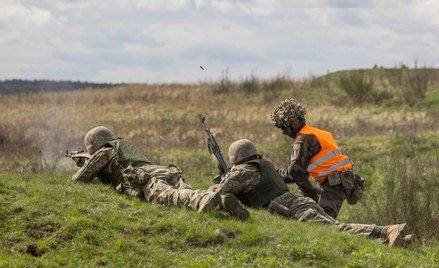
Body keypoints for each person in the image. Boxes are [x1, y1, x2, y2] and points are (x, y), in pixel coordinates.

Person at [210, 139, 416, 246]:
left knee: (335, 230)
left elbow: (216, 194)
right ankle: (396, 241)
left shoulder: (244, 171)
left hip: (291, 209)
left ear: (235, 159)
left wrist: (221, 179)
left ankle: (386, 230)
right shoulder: (264, 165)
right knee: (334, 232)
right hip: (298, 203)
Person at [71, 126, 249, 219]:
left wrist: (81, 163)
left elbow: (80, 179)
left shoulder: (103, 152)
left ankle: (205, 199)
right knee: (186, 191)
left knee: (174, 197)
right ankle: (224, 203)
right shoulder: (123, 144)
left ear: (94, 145)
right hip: (165, 170)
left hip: (145, 178)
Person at [270, 98, 363, 219]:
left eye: (285, 126)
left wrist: (274, 174)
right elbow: (302, 173)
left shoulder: (303, 139)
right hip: (340, 179)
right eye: (281, 127)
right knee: (317, 218)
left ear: (298, 120)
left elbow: (295, 173)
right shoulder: (318, 133)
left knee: (324, 221)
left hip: (335, 181)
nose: (284, 131)